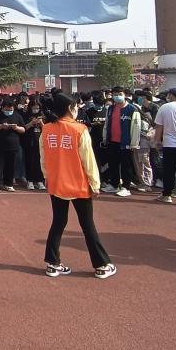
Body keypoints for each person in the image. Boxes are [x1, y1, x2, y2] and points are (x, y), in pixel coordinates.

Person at [40, 93, 116, 279]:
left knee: (58, 222)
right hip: (78, 184)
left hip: (57, 183)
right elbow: (88, 160)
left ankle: (53, 263)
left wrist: (47, 177)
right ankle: (101, 264)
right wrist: (95, 183)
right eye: (75, 107)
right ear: (69, 108)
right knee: (88, 225)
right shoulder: (79, 129)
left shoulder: (46, 129)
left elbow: (43, 158)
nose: (77, 110)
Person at [101, 87, 141, 197]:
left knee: (126, 165)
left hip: (126, 142)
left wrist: (134, 143)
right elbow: (107, 124)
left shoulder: (132, 109)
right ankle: (114, 184)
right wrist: (105, 137)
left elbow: (136, 127)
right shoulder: (110, 109)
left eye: (119, 94)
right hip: (112, 141)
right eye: (115, 94)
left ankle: (126, 187)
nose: (117, 96)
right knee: (113, 164)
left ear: (125, 95)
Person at [0, 99, 25, 193]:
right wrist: (1, 126)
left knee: (10, 166)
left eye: (11, 110)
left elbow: (23, 129)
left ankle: (8, 184)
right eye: (7, 109)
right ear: (2, 108)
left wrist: (16, 128)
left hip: (13, 145)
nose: (9, 111)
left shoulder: (17, 116)